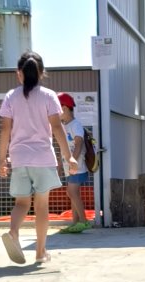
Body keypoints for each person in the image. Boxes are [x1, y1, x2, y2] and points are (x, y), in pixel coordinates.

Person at [0, 51, 77, 265]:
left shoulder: (11, 96)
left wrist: (2, 160)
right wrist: (69, 157)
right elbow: (57, 127)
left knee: (21, 202)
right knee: (41, 206)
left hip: (19, 157)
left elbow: (5, 130)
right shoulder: (49, 96)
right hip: (43, 158)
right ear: (42, 73)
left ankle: (13, 232)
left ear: (18, 73)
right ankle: (40, 253)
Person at [55, 92, 91, 234]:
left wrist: (73, 161)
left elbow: (78, 143)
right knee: (72, 193)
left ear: (64, 108)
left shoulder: (75, 125)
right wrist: (60, 161)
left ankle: (84, 221)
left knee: (72, 192)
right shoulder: (64, 125)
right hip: (69, 165)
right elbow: (63, 146)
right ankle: (75, 223)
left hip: (77, 165)